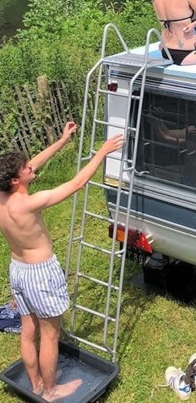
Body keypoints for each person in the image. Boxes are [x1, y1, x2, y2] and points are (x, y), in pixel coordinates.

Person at [0, 122, 124, 402]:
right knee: (50, 335)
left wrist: (61, 141)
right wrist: (102, 152)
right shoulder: (29, 204)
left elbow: (32, 163)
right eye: (26, 169)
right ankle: (51, 391)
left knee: (28, 330)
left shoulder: (3, 196)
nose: (31, 167)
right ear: (15, 181)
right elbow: (77, 183)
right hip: (40, 273)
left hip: (17, 270)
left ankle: (35, 384)